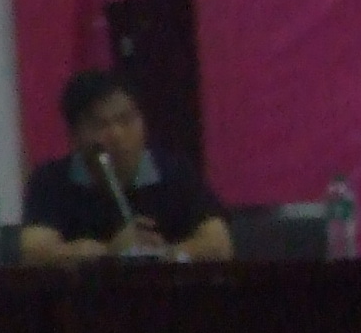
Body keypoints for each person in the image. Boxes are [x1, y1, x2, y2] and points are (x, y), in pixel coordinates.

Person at [18, 70, 233, 265]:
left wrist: (165, 254)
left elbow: (219, 245)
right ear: (74, 135)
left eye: (126, 120)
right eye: (100, 125)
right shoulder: (51, 180)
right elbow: (35, 252)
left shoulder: (174, 172)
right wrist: (110, 253)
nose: (117, 135)